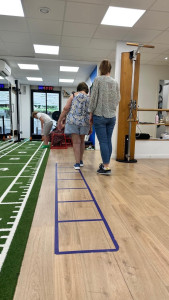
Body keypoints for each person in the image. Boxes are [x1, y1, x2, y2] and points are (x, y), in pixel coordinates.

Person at [89, 59, 120, 175]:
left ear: (101, 69)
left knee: (103, 142)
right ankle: (106, 164)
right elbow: (118, 99)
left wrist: (90, 114)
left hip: (100, 115)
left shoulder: (98, 80)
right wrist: (111, 107)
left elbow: (93, 99)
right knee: (108, 141)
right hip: (111, 116)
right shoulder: (115, 82)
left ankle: (106, 167)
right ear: (110, 69)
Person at [57, 82, 91, 170]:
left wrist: (60, 120)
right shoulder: (89, 98)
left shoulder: (73, 95)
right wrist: (91, 126)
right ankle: (81, 160)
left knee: (76, 142)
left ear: (78, 89)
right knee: (82, 141)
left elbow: (66, 109)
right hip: (85, 122)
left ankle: (77, 163)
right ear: (86, 90)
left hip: (73, 121)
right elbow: (91, 113)